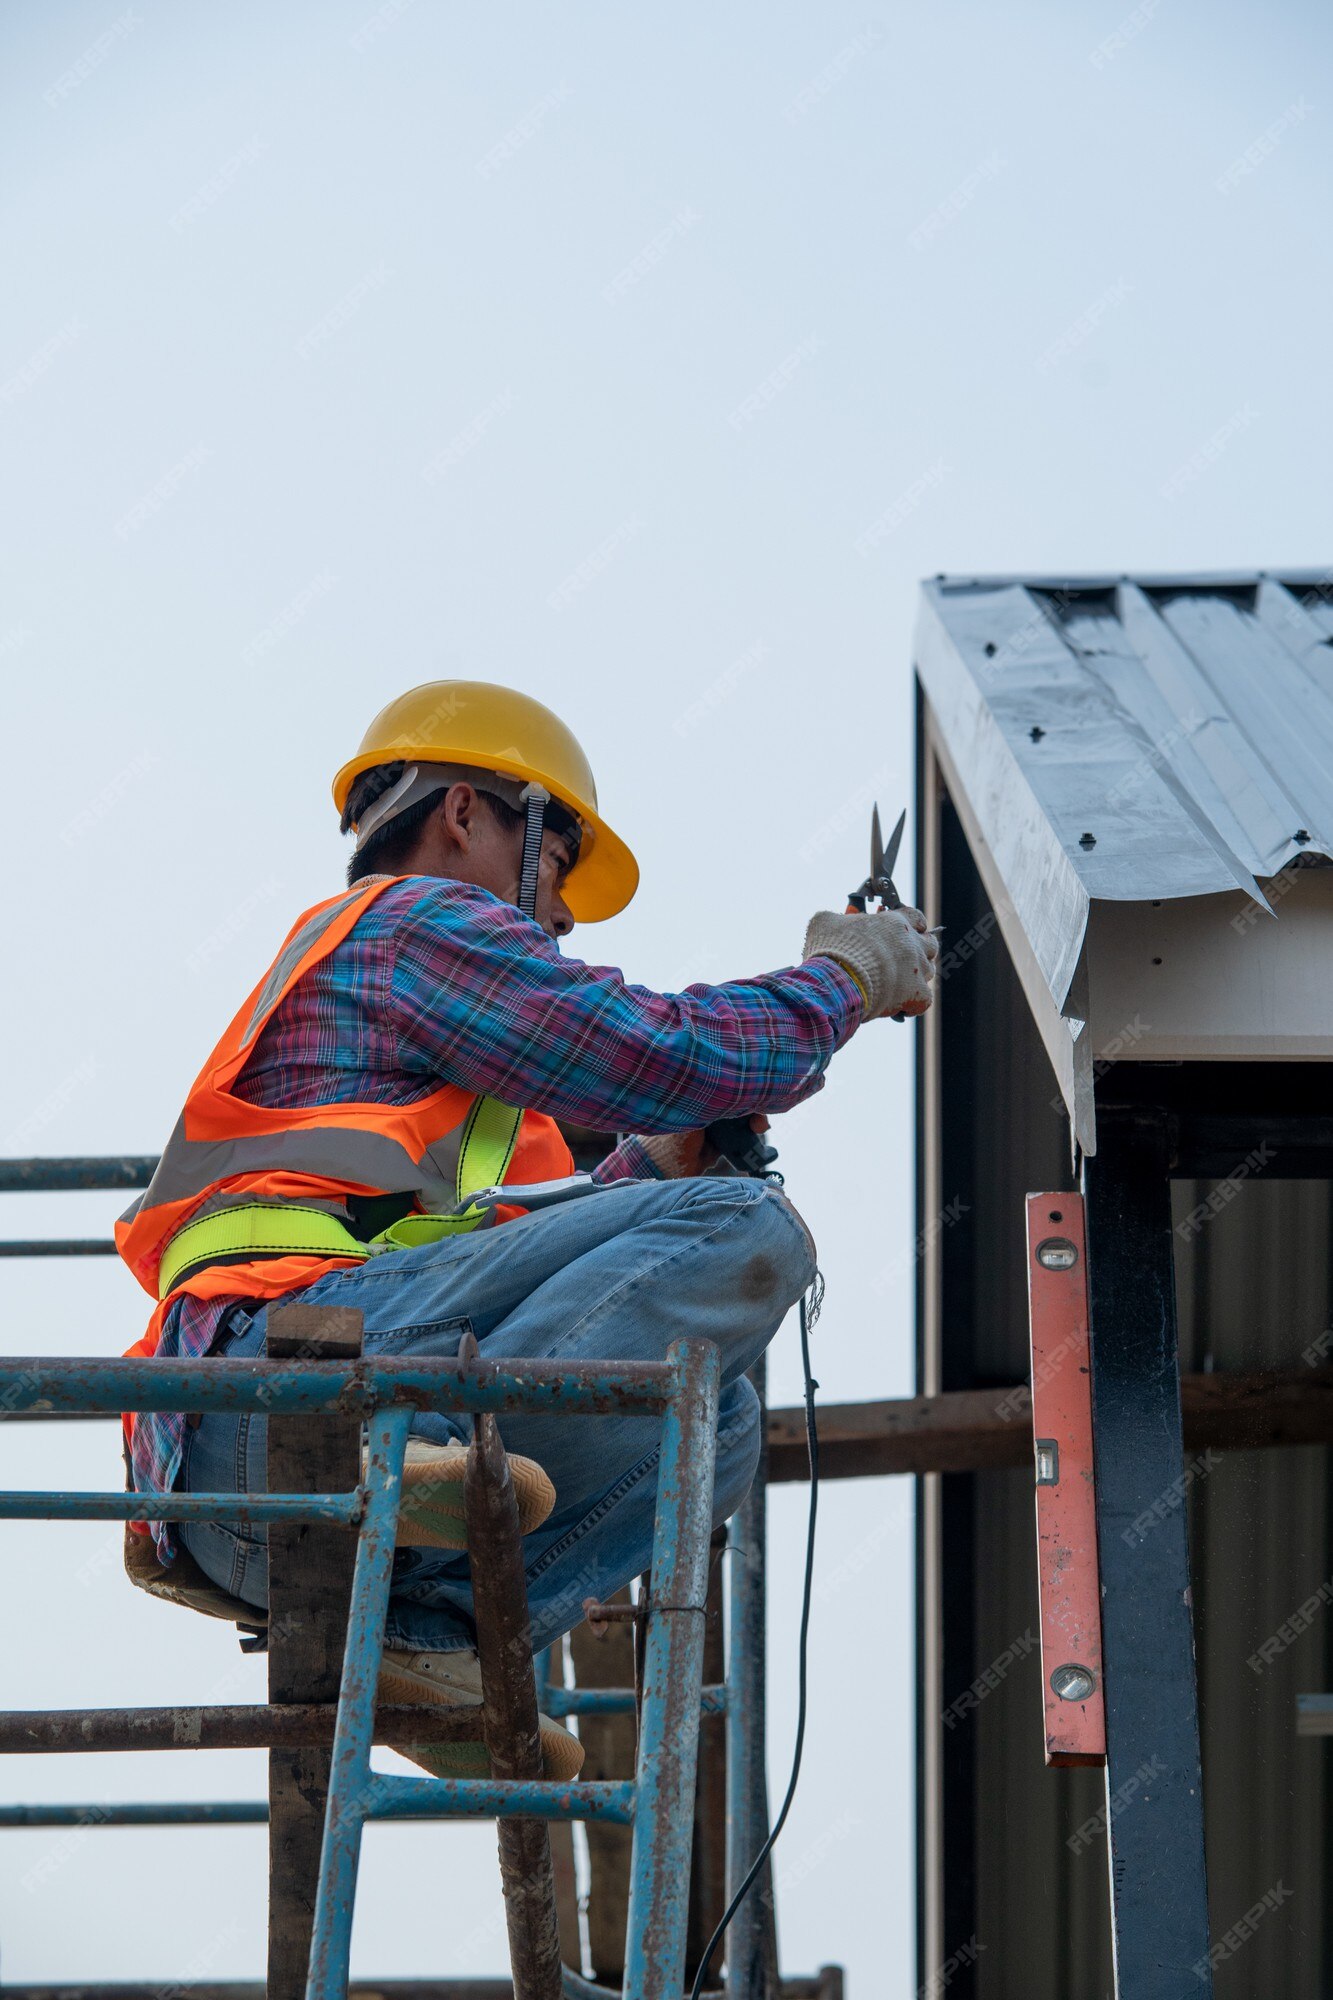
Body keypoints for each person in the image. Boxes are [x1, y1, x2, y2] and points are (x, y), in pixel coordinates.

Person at [117, 682, 937, 1777]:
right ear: (463, 812)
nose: (558, 914)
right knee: (751, 1226)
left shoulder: (434, 1052)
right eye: (554, 865)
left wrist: (653, 1166)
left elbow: (521, 1234)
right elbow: (664, 1053)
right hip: (284, 1400)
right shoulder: (415, 924)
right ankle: (422, 1484)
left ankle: (434, 1638)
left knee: (720, 1415)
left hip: (261, 1502)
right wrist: (840, 981)